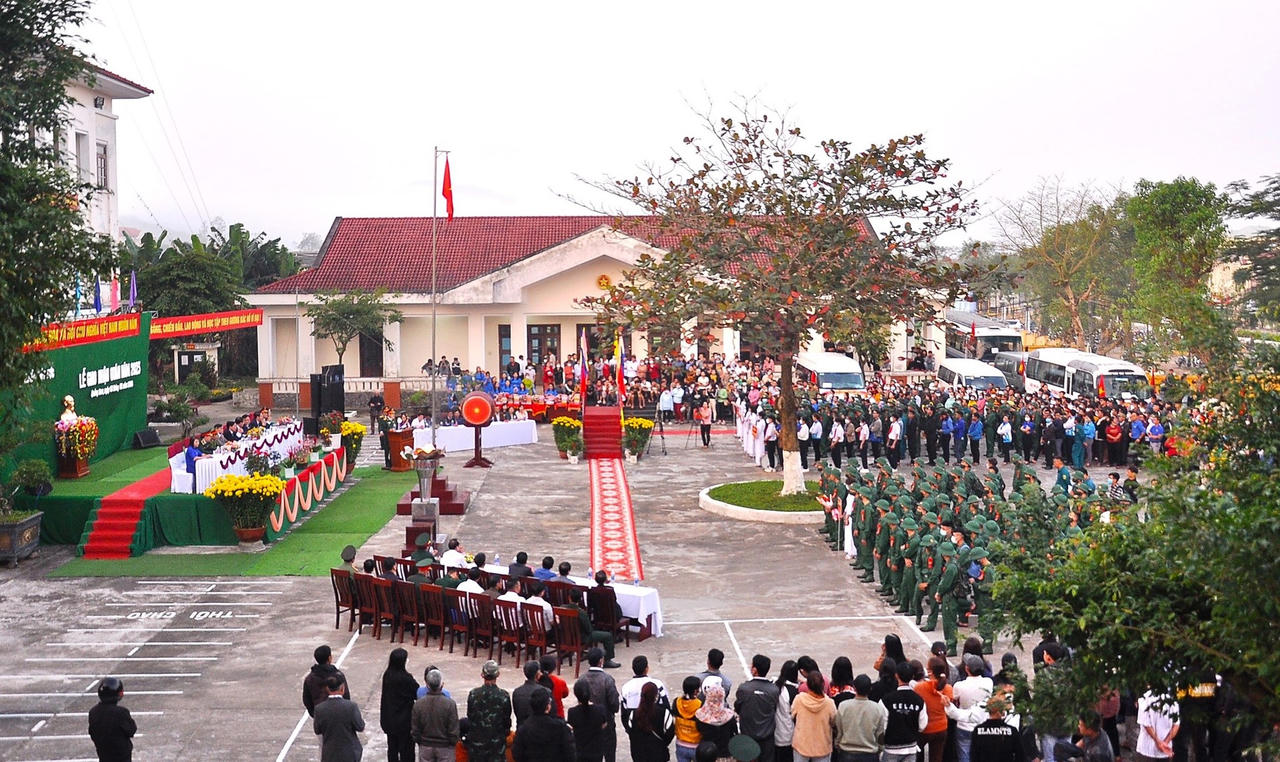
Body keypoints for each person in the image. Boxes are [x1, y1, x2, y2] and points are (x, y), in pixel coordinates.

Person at [945, 654, 994, 762]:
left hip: (964, 725)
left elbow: (954, 697)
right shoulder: (988, 683)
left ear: (967, 669)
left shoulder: (959, 686)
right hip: (982, 723)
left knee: (964, 755)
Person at [577, 648, 622, 762]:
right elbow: (614, 705)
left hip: (586, 723)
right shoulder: (607, 680)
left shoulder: (582, 679)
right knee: (609, 754)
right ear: (601, 661)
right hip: (606, 722)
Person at [735, 654, 780, 762]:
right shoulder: (774, 690)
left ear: (754, 670)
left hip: (748, 737)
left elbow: (738, 707)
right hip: (767, 738)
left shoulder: (744, 689)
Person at [512, 686, 577, 762]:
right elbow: (570, 754)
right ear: (548, 706)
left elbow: (517, 754)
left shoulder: (523, 729)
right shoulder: (561, 727)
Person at [833, 673, 886, 762]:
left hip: (846, 753)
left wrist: (837, 744)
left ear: (854, 688)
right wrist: (879, 748)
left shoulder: (843, 706)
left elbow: (839, 730)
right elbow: (880, 734)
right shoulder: (878, 709)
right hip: (870, 754)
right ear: (870, 689)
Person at [466, 660, 513, 762]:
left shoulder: (473, 694)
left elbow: (470, 716)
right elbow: (507, 721)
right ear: (498, 675)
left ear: (482, 675)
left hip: (477, 744)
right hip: (497, 745)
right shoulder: (504, 696)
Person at [882, 661, 927, 762]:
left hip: (891, 748)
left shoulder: (887, 700)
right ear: (912, 676)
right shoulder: (919, 700)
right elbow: (922, 725)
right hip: (911, 747)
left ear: (896, 676)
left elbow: (883, 725)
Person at [381, 647, 421, 762]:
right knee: (407, 751)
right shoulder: (406, 678)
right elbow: (416, 692)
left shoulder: (387, 675)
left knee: (392, 749)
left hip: (389, 719)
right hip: (404, 722)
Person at [314, 675, 366, 762]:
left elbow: (317, 730)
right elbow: (360, 727)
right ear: (342, 688)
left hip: (329, 754)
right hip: (349, 753)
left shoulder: (319, 709)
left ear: (327, 689)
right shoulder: (351, 707)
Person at [412, 668, 460, 762]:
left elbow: (415, 729)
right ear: (441, 685)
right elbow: (453, 729)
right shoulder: (450, 704)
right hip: (445, 747)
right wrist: (452, 742)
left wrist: (420, 741)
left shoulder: (419, 704)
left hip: (425, 746)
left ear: (427, 685)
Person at [790, 671, 837, 762]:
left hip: (802, 745)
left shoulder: (799, 699)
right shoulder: (829, 703)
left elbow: (792, 715)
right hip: (822, 747)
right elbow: (834, 721)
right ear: (823, 684)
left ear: (808, 685)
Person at [625, 681, 677, 762]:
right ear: (656, 695)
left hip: (639, 755)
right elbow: (670, 733)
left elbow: (631, 732)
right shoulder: (664, 713)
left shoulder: (633, 714)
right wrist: (661, 744)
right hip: (658, 754)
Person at [88, 677, 136, 762]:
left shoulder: (93, 712)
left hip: (103, 754)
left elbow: (92, 731)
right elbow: (131, 730)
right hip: (121, 756)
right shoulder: (121, 713)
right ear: (119, 694)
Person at [969, 693, 1024, 762]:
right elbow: (1020, 756)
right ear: (1002, 711)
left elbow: (974, 756)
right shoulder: (1012, 731)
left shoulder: (978, 730)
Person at [570, 679, 611, 762]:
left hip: (580, 751)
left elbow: (572, 727)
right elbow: (604, 724)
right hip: (596, 751)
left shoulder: (572, 712)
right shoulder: (600, 710)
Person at [304, 645, 351, 717]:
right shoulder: (338, 676)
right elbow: (346, 696)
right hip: (339, 713)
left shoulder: (309, 678)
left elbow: (307, 699)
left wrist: (314, 714)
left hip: (320, 715)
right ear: (329, 658)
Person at [696, 683, 740, 759]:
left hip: (706, 754)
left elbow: (698, 730)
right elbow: (735, 732)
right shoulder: (729, 716)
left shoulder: (700, 716)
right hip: (725, 753)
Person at [1135, 690, 1179, 762]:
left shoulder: (1145, 698)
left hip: (1147, 749)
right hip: (1165, 749)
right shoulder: (1172, 699)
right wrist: (1165, 742)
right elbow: (1176, 724)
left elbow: (1146, 723)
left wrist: (1159, 742)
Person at [674, 676, 705, 762]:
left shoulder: (677, 702)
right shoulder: (700, 705)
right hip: (696, 745)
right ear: (696, 691)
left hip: (681, 744)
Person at [514, 661, 545, 726]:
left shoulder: (517, 692)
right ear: (538, 673)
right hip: (539, 729)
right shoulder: (545, 691)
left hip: (522, 729)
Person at [539, 654, 571, 719]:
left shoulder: (536, 681)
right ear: (554, 667)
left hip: (540, 715)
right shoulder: (560, 682)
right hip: (558, 715)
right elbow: (565, 694)